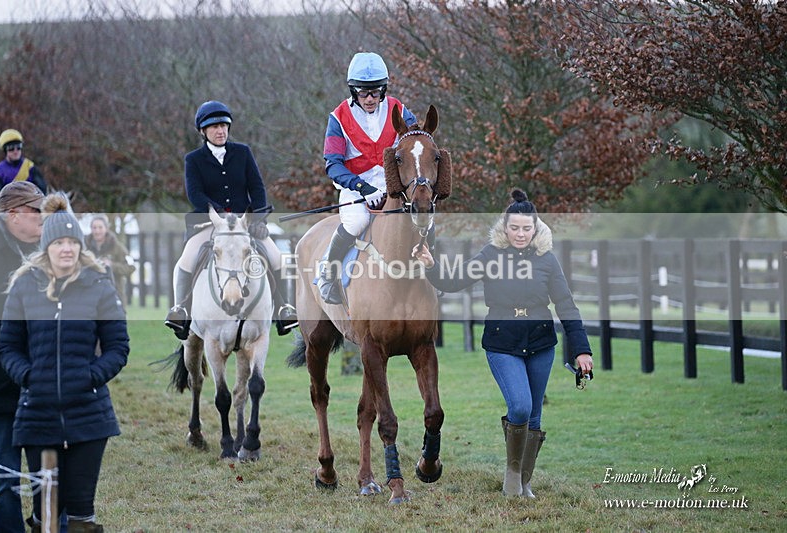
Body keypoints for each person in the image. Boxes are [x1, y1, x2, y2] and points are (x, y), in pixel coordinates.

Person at [413, 189, 594, 498]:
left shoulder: (548, 261)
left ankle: (525, 483)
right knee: (520, 407)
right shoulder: (490, 255)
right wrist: (431, 265)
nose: (520, 234)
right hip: (502, 342)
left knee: (535, 415)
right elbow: (454, 281)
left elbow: (566, 304)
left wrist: (581, 349)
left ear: (535, 227)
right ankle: (512, 479)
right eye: (514, 228)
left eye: (526, 228)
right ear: (505, 227)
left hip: (541, 343)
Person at [0, 193, 129, 532]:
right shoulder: (24, 286)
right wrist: (30, 377)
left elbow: (118, 347)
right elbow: (8, 347)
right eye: (59, 242)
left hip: (89, 416)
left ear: (80, 246)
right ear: (47, 246)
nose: (66, 249)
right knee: (47, 512)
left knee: (82, 513)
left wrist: (91, 377)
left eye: (73, 242)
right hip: (37, 417)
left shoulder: (99, 285)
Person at [164, 100, 297, 339]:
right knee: (186, 259)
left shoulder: (243, 152)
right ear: (203, 131)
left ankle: (284, 308)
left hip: (244, 224)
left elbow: (256, 188)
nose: (220, 130)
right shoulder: (193, 159)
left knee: (276, 257)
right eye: (214, 126)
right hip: (209, 223)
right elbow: (195, 194)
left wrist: (257, 219)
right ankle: (180, 310)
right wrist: (219, 216)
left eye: (224, 125)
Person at [317, 51, 418, 304]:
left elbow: (418, 146)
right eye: (363, 92)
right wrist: (363, 188)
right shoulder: (338, 117)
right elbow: (333, 164)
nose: (370, 98)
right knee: (356, 223)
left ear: (383, 89)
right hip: (355, 188)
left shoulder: (400, 111)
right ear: (353, 91)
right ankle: (328, 274)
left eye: (376, 91)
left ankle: (433, 274)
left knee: (421, 220)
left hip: (395, 189)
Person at [0, 181, 44, 533]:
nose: (42, 217)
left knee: (50, 481)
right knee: (3, 482)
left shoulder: (51, 251)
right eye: (34, 210)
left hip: (44, 392)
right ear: (12, 215)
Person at [0, 129, 48, 210]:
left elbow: (42, 190)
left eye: (18, 147)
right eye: (11, 148)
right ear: (5, 151)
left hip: (31, 209)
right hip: (10, 213)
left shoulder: (30, 166)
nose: (16, 151)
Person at [85, 214, 136, 307]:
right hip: (90, 295)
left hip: (115, 295)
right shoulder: (85, 247)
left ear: (106, 228)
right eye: (94, 227)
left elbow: (131, 266)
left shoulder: (117, 247)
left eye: (100, 227)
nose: (97, 231)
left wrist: (112, 266)